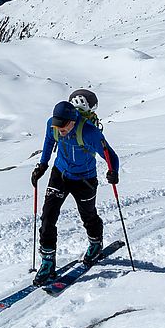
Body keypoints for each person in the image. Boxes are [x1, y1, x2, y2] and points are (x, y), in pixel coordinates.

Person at [31, 88, 120, 285]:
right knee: (48, 216)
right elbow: (48, 142)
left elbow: (111, 155)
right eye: (58, 127)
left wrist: (113, 171)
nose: (60, 131)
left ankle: (95, 244)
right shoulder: (53, 126)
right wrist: (42, 165)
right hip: (60, 174)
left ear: (73, 121)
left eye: (64, 127)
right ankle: (47, 261)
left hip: (85, 179)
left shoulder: (90, 132)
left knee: (88, 215)